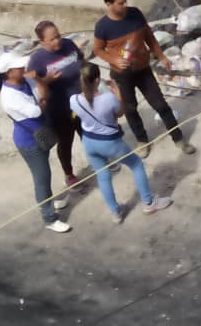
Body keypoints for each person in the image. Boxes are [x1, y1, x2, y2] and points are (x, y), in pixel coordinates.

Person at [92, 0, 195, 158]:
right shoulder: (102, 26)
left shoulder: (135, 14)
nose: (124, 6)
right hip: (122, 75)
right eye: (120, 3)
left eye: (125, 1)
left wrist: (161, 56)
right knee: (131, 109)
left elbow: (149, 36)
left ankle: (178, 139)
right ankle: (142, 141)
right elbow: (97, 50)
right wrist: (114, 59)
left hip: (143, 70)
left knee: (161, 104)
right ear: (108, 4)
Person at [70, 63, 172, 223]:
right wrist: (117, 92)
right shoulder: (108, 98)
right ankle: (149, 203)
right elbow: (119, 114)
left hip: (89, 141)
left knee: (103, 175)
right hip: (110, 142)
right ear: (97, 80)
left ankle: (115, 212)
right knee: (136, 164)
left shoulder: (74, 99)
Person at [0, 52, 71, 233]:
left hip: (40, 134)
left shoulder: (25, 81)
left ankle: (50, 202)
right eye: (18, 68)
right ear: (8, 73)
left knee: (45, 173)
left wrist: (38, 80)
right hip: (30, 143)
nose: (23, 69)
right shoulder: (9, 97)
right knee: (41, 178)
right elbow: (37, 109)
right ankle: (49, 218)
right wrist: (42, 96)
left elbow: (44, 93)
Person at [27, 20, 85, 188]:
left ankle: (101, 163)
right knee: (66, 143)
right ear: (42, 41)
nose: (57, 41)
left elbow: (81, 61)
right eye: (51, 39)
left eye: (58, 36)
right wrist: (46, 80)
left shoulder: (69, 44)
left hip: (81, 102)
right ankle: (69, 175)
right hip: (59, 110)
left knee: (88, 135)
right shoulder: (37, 60)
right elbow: (32, 88)